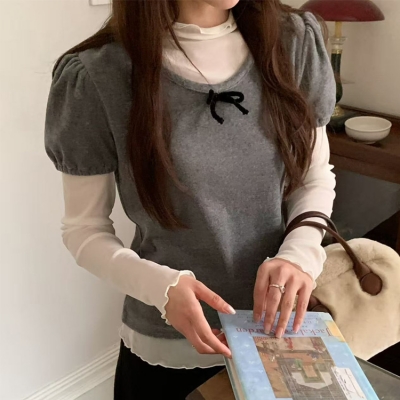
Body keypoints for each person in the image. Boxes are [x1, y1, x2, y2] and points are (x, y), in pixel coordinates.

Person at [44, 0, 336, 398]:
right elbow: (84, 230)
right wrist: (161, 288)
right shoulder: (99, 74)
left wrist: (299, 255)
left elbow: (313, 177)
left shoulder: (293, 43)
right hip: (168, 349)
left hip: (278, 335)